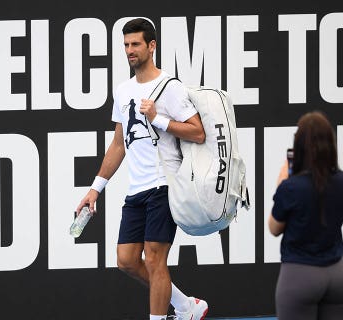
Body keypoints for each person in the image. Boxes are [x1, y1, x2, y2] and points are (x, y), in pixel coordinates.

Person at [75, 18, 208, 320]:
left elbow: (197, 132)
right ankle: (186, 306)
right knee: (126, 260)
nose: (130, 50)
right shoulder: (122, 91)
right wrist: (95, 189)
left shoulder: (170, 87)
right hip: (137, 190)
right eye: (126, 45)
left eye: (135, 44)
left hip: (164, 185)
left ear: (151, 46)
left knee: (155, 257)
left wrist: (159, 119)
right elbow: (118, 145)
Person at [269, 111, 343, 320]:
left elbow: (274, 228)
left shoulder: (291, 188)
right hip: (339, 276)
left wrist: (281, 185)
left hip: (300, 276)